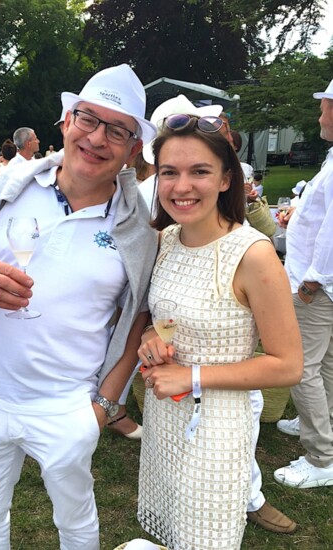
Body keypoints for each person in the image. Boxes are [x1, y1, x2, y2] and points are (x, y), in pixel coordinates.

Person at [0, 63, 158, 550]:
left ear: (133, 148)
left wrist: (104, 405)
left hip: (67, 406)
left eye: (116, 130)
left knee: (75, 521)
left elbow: (137, 315)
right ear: (66, 121)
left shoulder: (140, 226)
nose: (97, 138)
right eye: (88, 119)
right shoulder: (7, 186)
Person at [135, 113, 302, 549]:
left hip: (217, 428)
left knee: (206, 534)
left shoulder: (253, 255)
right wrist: (151, 341)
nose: (181, 186)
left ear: (227, 179)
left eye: (199, 172)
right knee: (176, 525)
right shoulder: (167, 239)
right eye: (169, 172)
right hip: (166, 416)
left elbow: (288, 366)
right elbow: (165, 320)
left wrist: (191, 376)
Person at [274, 78, 333, 489]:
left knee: (301, 367)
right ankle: (320, 426)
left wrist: (311, 282)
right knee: (325, 364)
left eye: (324, 106)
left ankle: (322, 457)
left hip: (316, 286)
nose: (319, 114)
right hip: (321, 284)